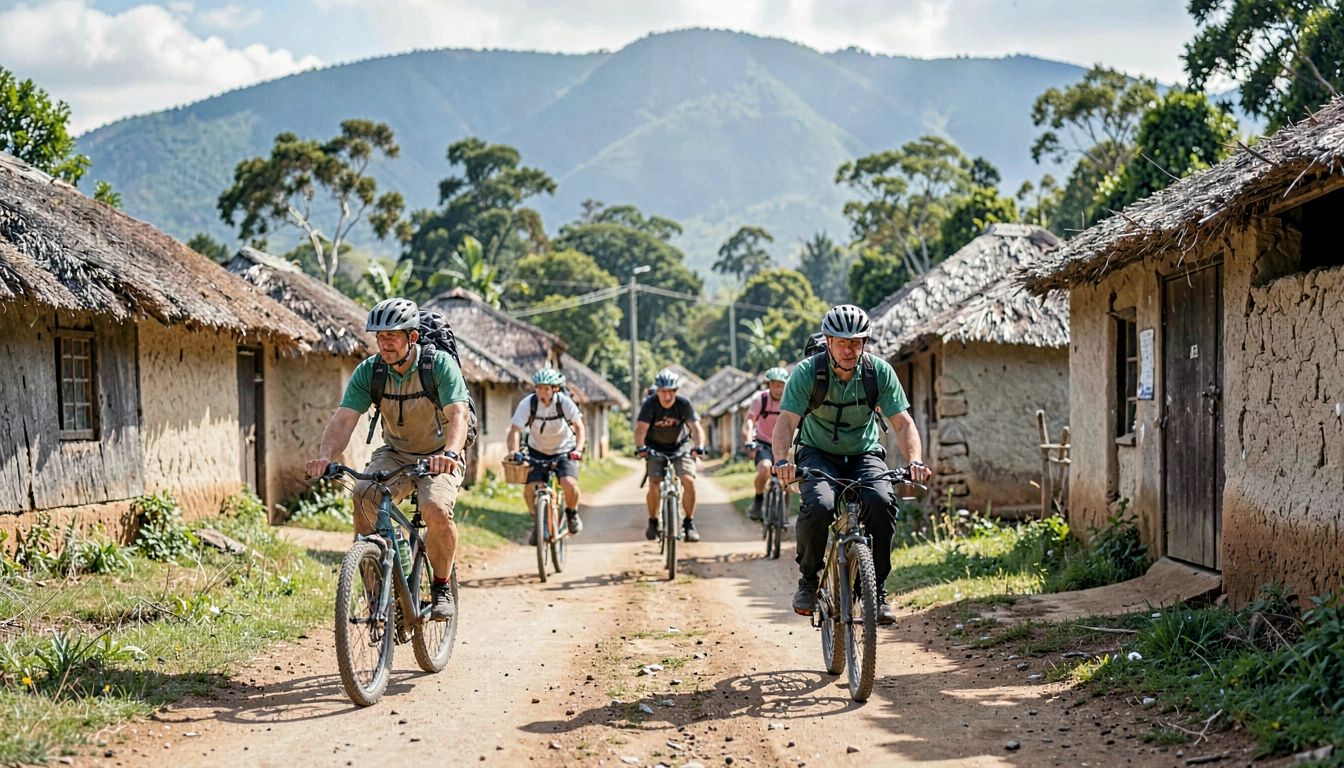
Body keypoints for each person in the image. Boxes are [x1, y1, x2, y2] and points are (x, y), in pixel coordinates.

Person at [306, 298, 471, 621]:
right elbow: (343, 421)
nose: (385, 343)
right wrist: (324, 457)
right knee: (363, 496)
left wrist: (450, 453)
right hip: (395, 453)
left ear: (412, 338)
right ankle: (376, 592)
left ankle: (440, 587)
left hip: (440, 454)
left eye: (392, 336)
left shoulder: (438, 366)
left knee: (435, 509)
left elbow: (458, 414)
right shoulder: (371, 371)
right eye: (380, 337)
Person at [771, 304, 933, 625]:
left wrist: (914, 461)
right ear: (828, 341)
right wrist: (780, 461)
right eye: (842, 342)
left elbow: (903, 424)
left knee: (882, 500)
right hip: (817, 453)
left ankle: (878, 589)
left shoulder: (878, 373)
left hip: (864, 454)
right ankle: (809, 579)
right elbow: (786, 423)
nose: (849, 349)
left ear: (865, 343)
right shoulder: (808, 373)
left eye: (856, 342)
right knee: (820, 504)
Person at [507, 368, 587, 542]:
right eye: (539, 388)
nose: (542, 392)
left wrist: (578, 450)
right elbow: (515, 430)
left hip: (564, 449)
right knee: (530, 489)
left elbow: (579, 427)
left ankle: (572, 513)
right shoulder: (528, 403)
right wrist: (514, 452)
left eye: (546, 388)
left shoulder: (564, 403)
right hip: (537, 450)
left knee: (569, 483)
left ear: (555, 389)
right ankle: (537, 522)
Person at [635, 368, 708, 543]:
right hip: (655, 447)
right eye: (663, 392)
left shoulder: (683, 404)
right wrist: (641, 447)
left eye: (671, 391)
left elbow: (696, 429)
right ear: (657, 391)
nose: (667, 396)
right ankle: (653, 521)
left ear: (676, 391)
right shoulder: (649, 405)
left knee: (688, 481)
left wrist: (699, 446)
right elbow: (641, 430)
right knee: (654, 485)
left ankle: (688, 523)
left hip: (680, 446)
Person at [741, 366, 790, 521]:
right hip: (764, 443)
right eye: (775, 384)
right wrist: (748, 439)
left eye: (781, 384)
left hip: (785, 445)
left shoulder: (790, 400)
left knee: (788, 479)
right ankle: (758, 499)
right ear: (769, 385)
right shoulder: (760, 399)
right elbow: (749, 421)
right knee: (764, 468)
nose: (778, 388)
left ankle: (784, 516)